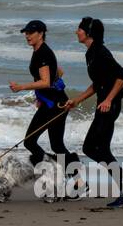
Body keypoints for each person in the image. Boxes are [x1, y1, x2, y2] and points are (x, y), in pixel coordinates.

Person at [63, 17, 123, 207]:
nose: (76, 31)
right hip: (103, 104)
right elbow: (98, 83)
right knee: (102, 149)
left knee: (90, 148)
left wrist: (108, 99)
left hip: (110, 106)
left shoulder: (100, 52)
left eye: (79, 29)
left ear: (89, 32)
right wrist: (77, 100)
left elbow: (122, 76)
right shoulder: (90, 53)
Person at [7, 20, 77, 170]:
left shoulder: (43, 53)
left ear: (41, 34)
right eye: (26, 33)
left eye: (31, 33)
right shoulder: (40, 51)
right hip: (55, 102)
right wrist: (40, 97)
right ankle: (77, 180)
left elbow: (45, 81)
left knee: (30, 141)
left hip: (54, 105)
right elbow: (58, 72)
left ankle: (50, 169)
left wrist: (21, 87)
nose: (27, 36)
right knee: (57, 145)